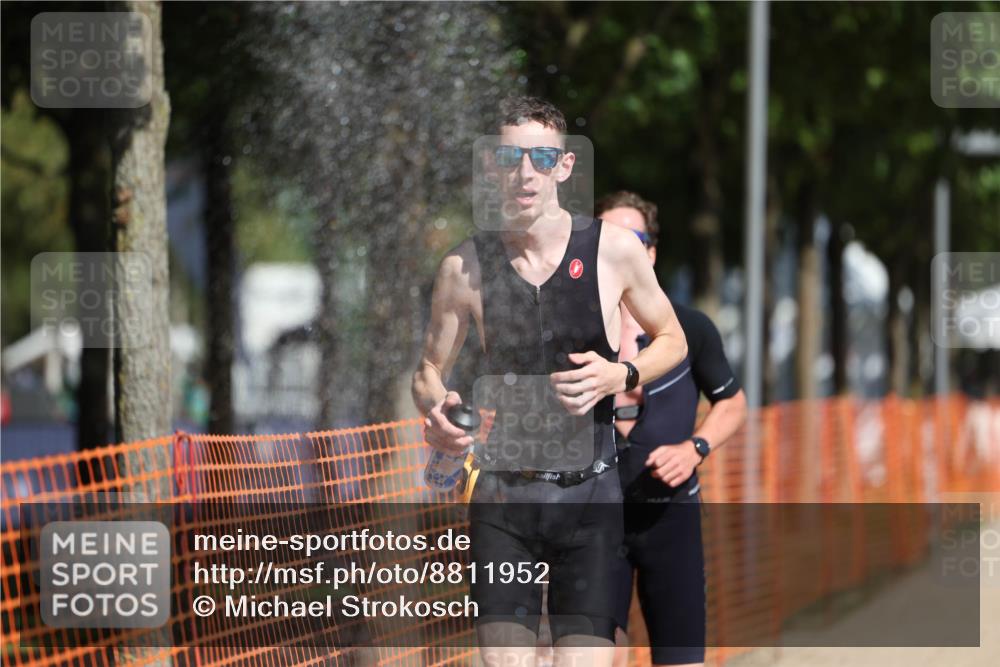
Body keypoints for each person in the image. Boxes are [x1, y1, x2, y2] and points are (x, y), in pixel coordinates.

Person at [412, 97, 688, 667]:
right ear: (492, 165)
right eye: (511, 157)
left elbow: (673, 340)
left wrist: (621, 373)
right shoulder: (464, 268)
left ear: (564, 167)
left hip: (590, 498)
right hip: (503, 501)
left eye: (542, 157)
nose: (525, 172)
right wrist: (440, 412)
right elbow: (429, 373)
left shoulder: (613, 251)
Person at [596, 191, 748, 667]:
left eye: (632, 238)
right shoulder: (570, 334)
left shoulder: (691, 329)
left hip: (670, 517)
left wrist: (695, 447)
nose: (618, 248)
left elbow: (733, 402)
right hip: (592, 521)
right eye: (604, 238)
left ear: (652, 252)